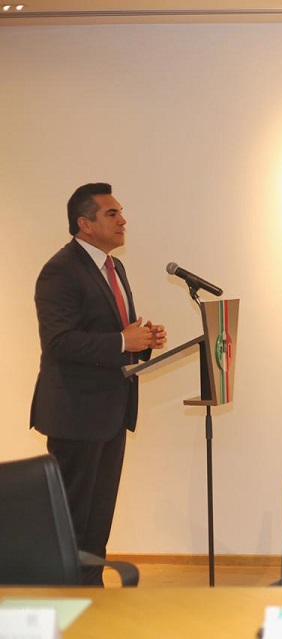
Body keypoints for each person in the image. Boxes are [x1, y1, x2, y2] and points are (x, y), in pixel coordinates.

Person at [30, 183, 166, 586]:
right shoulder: (60, 270)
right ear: (84, 224)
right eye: (112, 214)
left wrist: (143, 339)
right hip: (75, 414)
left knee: (99, 517)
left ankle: (91, 590)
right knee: (74, 518)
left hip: (111, 411)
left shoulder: (114, 267)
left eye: (120, 212)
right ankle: (68, 595)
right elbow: (58, 341)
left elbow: (113, 331)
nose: (122, 220)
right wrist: (124, 341)